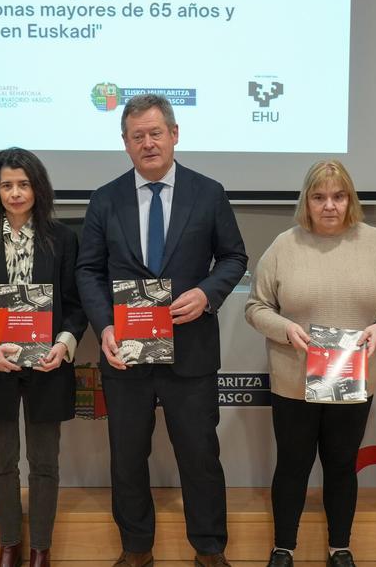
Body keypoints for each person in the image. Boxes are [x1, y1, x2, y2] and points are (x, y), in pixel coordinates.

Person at [75, 93, 248, 567]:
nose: (148, 143)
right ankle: (136, 549)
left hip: (190, 353)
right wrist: (105, 325)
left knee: (199, 456)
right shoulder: (105, 199)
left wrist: (208, 293)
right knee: (127, 458)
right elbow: (88, 271)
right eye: (137, 136)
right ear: (125, 144)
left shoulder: (208, 192)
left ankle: (210, 549)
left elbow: (234, 256)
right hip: (125, 354)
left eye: (156, 133)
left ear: (174, 135)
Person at [245, 160, 376, 567]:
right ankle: (283, 548)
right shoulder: (284, 246)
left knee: (340, 465)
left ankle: (341, 548)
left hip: (353, 379)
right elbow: (255, 307)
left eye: (339, 196)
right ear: (307, 201)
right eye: (319, 197)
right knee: (293, 466)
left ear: (351, 199)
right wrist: (285, 328)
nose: (330, 206)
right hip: (294, 379)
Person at [0, 148, 88, 567]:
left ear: (38, 188)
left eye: (23, 184)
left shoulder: (64, 239)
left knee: (45, 463)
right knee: (1, 462)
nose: (15, 193)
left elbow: (76, 305)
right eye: (7, 185)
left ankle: (40, 549)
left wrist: (64, 345)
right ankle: (9, 544)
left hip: (48, 367)